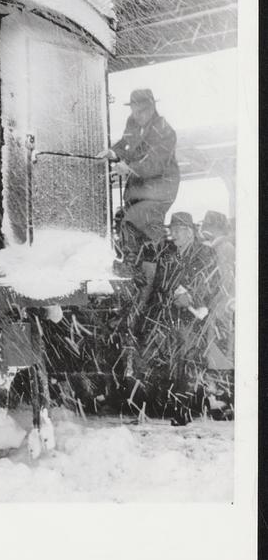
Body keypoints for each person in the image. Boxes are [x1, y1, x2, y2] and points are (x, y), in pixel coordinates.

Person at [137, 211, 219, 425]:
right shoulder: (166, 254)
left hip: (195, 317)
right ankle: (183, 406)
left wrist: (192, 297)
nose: (177, 235)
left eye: (182, 230)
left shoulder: (205, 254)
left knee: (190, 361)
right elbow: (159, 284)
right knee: (171, 362)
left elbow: (212, 282)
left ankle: (184, 410)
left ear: (191, 232)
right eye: (173, 230)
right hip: (169, 315)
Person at [98, 89, 179, 275]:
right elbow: (125, 144)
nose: (136, 116)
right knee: (131, 222)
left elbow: (156, 163)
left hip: (161, 189)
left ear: (151, 108)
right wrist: (113, 153)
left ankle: (133, 265)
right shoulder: (132, 122)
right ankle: (147, 266)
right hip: (140, 188)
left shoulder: (165, 131)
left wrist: (129, 168)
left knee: (133, 219)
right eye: (133, 111)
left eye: (140, 111)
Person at [199, 210, 235, 415]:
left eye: (208, 226)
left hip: (221, 309)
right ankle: (218, 398)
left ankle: (222, 400)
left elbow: (223, 280)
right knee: (216, 354)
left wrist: (211, 301)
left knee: (219, 354)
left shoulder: (223, 248)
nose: (205, 230)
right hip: (219, 308)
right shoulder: (221, 247)